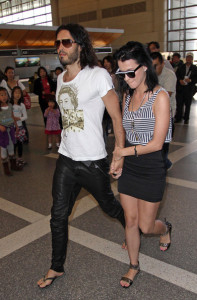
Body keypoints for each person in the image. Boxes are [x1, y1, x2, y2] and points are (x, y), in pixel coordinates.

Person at [37, 23, 125, 289]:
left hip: (92, 160)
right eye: (57, 43)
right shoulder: (61, 78)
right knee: (58, 216)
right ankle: (56, 266)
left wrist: (119, 153)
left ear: (80, 46)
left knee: (110, 207)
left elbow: (116, 117)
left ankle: (134, 230)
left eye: (66, 42)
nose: (60, 48)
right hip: (66, 157)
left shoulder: (98, 75)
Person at [113, 41, 172, 288]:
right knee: (131, 221)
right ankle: (133, 265)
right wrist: (120, 161)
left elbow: (157, 143)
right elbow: (125, 133)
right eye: (121, 73)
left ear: (145, 67)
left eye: (130, 72)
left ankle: (165, 228)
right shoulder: (127, 96)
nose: (126, 78)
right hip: (131, 166)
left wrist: (122, 152)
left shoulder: (160, 96)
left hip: (151, 166)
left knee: (147, 226)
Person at [150, 51, 177, 170]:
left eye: (155, 65)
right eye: (151, 66)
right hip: (152, 115)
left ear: (162, 63)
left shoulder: (169, 75)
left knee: (163, 144)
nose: (153, 69)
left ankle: (165, 165)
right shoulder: (151, 75)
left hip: (167, 115)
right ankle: (162, 163)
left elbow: (166, 95)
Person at [0, 87, 23, 175]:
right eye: (1, 95)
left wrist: (16, 126)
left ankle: (13, 165)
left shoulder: (10, 105)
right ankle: (5, 167)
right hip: (3, 131)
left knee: (11, 145)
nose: (4, 96)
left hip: (10, 129)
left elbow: (12, 116)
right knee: (3, 147)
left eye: (5, 94)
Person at [175, 52, 197, 124]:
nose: (189, 59)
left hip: (189, 89)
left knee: (188, 104)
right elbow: (177, 76)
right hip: (181, 88)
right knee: (179, 103)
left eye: (190, 58)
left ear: (192, 59)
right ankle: (178, 117)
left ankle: (186, 118)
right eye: (188, 57)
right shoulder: (181, 67)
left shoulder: (195, 68)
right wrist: (179, 80)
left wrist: (190, 80)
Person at [10, 86, 27, 166]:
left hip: (20, 127)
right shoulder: (10, 105)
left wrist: (18, 118)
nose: (17, 94)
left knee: (20, 144)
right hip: (11, 127)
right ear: (12, 93)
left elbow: (25, 117)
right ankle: (13, 160)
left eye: (19, 93)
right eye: (16, 92)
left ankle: (19, 159)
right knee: (13, 144)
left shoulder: (22, 105)